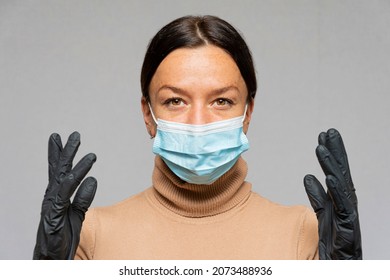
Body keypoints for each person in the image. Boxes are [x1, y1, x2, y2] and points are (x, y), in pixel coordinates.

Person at [33, 15, 362, 260]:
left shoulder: (310, 234)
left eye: (222, 101)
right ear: (149, 114)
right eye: (175, 101)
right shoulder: (86, 236)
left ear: (247, 113)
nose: (199, 122)